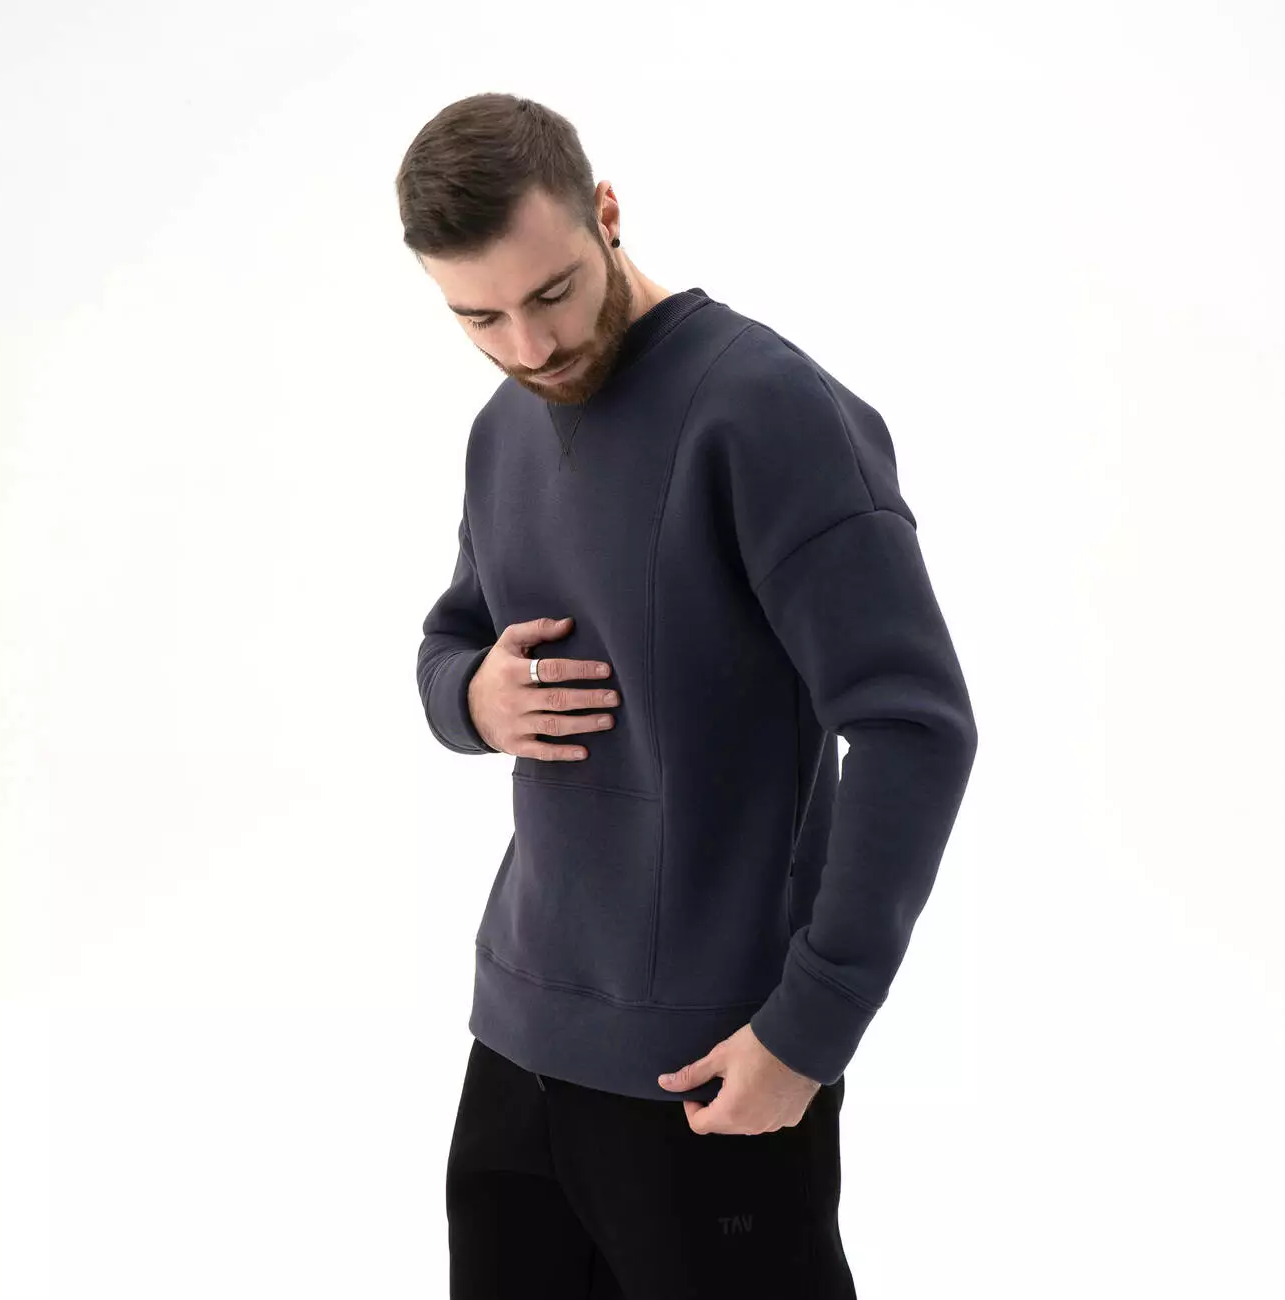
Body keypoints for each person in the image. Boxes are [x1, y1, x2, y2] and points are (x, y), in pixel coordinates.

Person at [399, 92, 979, 1299]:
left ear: (606, 213)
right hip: (516, 1038)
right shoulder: (504, 427)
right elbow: (453, 638)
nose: (529, 347)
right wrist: (473, 698)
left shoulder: (766, 408)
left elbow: (912, 726)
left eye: (552, 293)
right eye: (479, 318)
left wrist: (809, 1025)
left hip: (710, 1062)